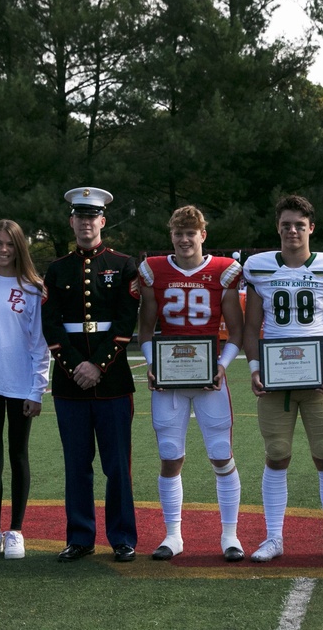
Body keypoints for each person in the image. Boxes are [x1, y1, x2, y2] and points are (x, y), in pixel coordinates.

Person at [242, 194, 323, 563]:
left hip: (318, 377)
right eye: (286, 224)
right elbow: (251, 327)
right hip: (277, 380)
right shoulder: (259, 267)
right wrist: (255, 369)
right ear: (278, 227)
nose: (293, 230)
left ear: (311, 228)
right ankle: (273, 538)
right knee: (277, 455)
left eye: (299, 224)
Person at [138, 205, 245, 562]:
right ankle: (173, 536)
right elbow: (146, 329)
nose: (185, 239)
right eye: (178, 233)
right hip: (169, 380)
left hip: (208, 378)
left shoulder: (223, 271)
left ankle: (230, 535)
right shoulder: (154, 270)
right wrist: (153, 366)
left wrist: (222, 366)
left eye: (191, 232)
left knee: (220, 454)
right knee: (170, 456)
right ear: (171, 236)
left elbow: (237, 332)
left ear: (203, 235)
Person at [41, 187, 140, 563]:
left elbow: (125, 320)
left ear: (103, 220)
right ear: (72, 221)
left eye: (92, 217)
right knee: (76, 465)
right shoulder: (57, 268)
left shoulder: (123, 264)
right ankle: (80, 536)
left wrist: (97, 365)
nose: (86, 223)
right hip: (70, 383)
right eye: (79, 217)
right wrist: (74, 366)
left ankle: (122, 537)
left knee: (118, 466)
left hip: (111, 380)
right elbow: (51, 326)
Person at [0, 220, 51, 560]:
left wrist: (38, 390)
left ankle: (15, 530)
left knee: (18, 455)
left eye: (9, 244)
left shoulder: (34, 288)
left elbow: (40, 343)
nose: (3, 250)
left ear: (20, 247)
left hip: (21, 385)